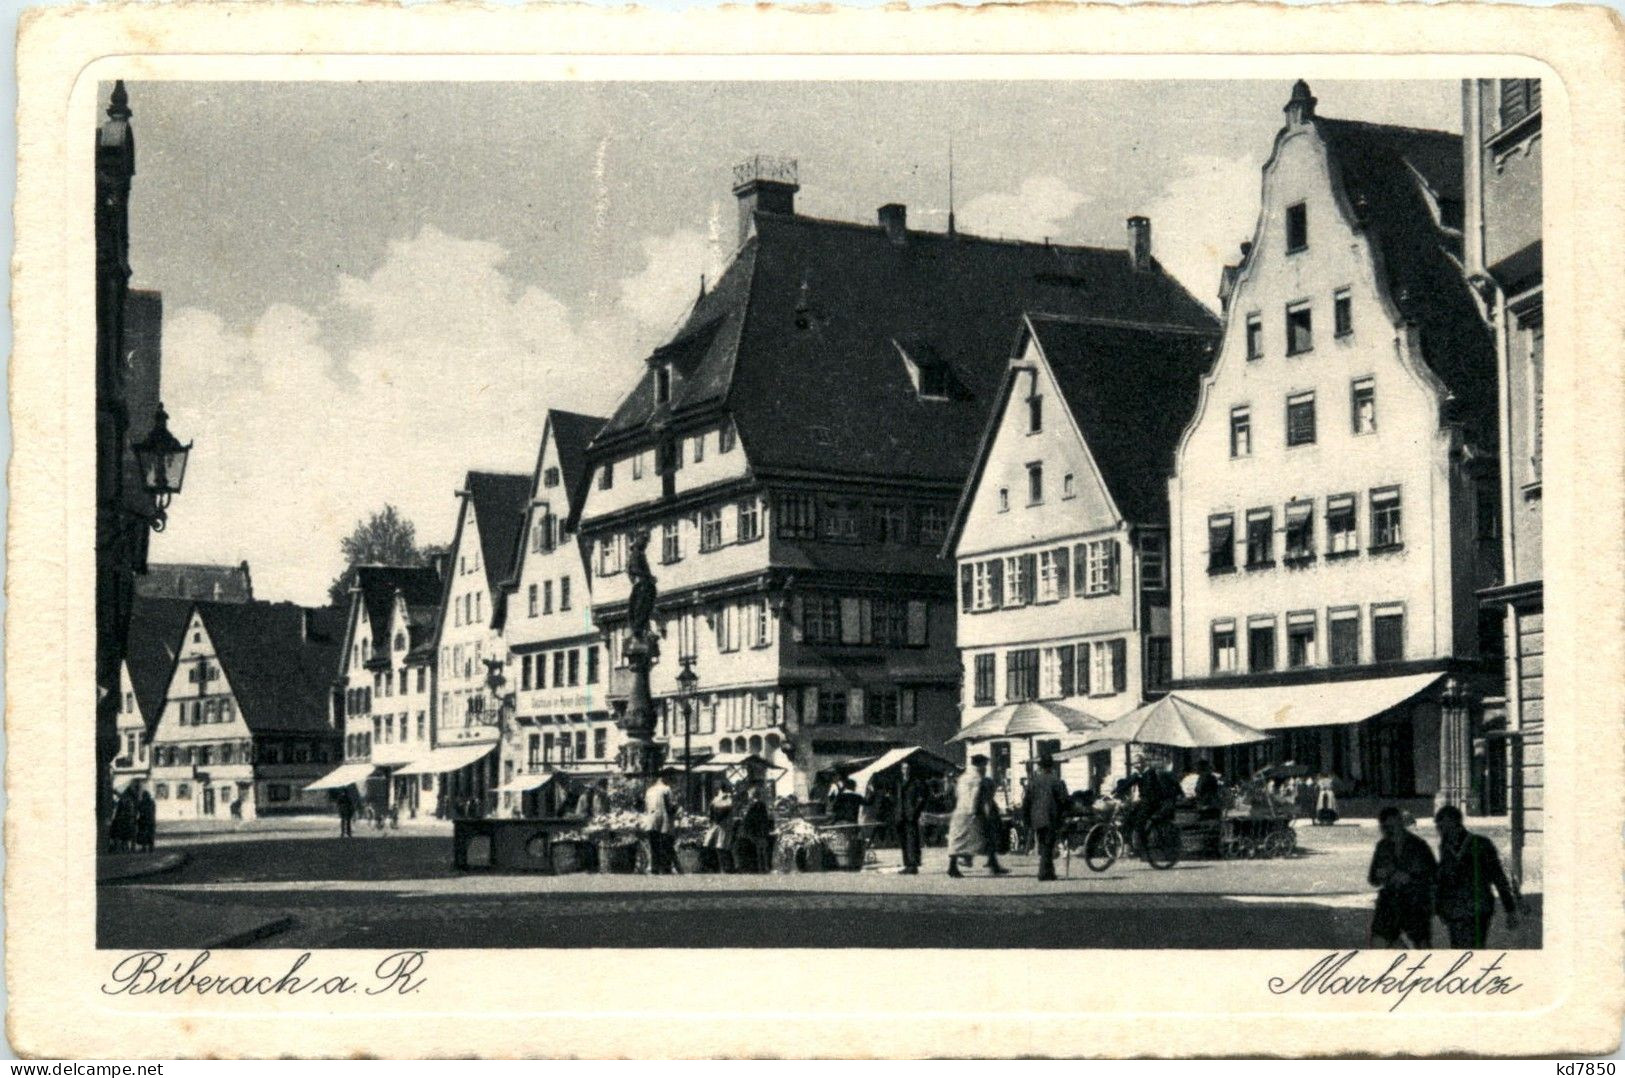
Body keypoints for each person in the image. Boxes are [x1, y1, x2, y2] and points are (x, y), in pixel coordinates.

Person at [1433, 805, 1520, 948]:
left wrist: (1510, 909)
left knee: (1475, 949)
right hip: (1456, 911)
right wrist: (1439, 908)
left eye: (1442, 826)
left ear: (1454, 823)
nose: (1439, 830)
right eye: (1439, 827)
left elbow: (1498, 877)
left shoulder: (1481, 844)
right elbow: (1443, 878)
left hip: (1478, 908)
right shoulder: (1445, 846)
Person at [1368, 805, 1437, 948]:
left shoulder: (1418, 846)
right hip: (1390, 901)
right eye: (1386, 828)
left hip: (1415, 902)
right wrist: (1380, 875)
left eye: (1394, 826)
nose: (1391, 831)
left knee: (1421, 945)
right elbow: (1372, 878)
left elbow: (1434, 875)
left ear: (1400, 823)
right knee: (1379, 942)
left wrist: (1410, 878)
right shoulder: (1382, 846)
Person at [1023, 753, 1070, 882]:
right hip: (1051, 817)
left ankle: (1049, 872)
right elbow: (1064, 800)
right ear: (1052, 766)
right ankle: (1043, 873)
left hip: (1036, 818)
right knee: (1048, 845)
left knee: (1044, 844)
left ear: (1040, 767)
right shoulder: (1057, 781)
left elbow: (1026, 801)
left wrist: (1026, 819)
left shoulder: (1033, 782)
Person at [1123, 754, 1180, 860]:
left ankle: (1141, 846)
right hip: (1144, 802)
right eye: (1135, 764)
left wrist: (1138, 781)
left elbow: (1149, 790)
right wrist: (1115, 792)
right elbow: (1128, 783)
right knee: (1128, 818)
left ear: (1143, 763)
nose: (1136, 766)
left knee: (1140, 822)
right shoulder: (1139, 774)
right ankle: (1130, 845)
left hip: (1152, 802)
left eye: (1138, 763)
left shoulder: (1149, 773)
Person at [894, 762, 928, 875]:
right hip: (900, 814)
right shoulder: (898, 782)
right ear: (901, 770)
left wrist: (915, 810)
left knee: (912, 840)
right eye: (903, 768)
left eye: (908, 768)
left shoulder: (916, 782)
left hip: (911, 815)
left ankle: (913, 865)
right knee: (903, 840)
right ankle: (907, 864)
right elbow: (896, 798)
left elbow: (922, 798)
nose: (906, 770)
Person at [644, 769, 679, 874]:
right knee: (665, 845)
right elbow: (670, 806)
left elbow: (646, 807)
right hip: (663, 821)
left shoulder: (649, 790)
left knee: (654, 846)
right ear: (664, 778)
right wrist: (677, 808)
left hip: (650, 820)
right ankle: (665, 868)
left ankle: (654, 868)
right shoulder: (666, 789)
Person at [735, 786, 773, 873]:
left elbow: (749, 819)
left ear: (752, 795)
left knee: (759, 849)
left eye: (749, 794)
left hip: (755, 830)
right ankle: (763, 868)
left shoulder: (754, 805)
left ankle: (761, 868)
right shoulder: (760, 804)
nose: (748, 796)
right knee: (761, 849)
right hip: (759, 830)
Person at [706, 784, 736, 872]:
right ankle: (724, 867)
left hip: (724, 824)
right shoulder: (719, 798)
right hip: (720, 824)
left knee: (722, 847)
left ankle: (726, 868)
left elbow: (727, 807)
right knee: (720, 846)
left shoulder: (727, 798)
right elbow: (712, 809)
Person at [135, 782, 157, 853]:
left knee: (144, 834)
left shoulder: (142, 803)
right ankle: (151, 848)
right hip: (151, 821)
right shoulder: (152, 802)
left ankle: (144, 848)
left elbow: (139, 810)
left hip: (144, 821)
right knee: (150, 835)